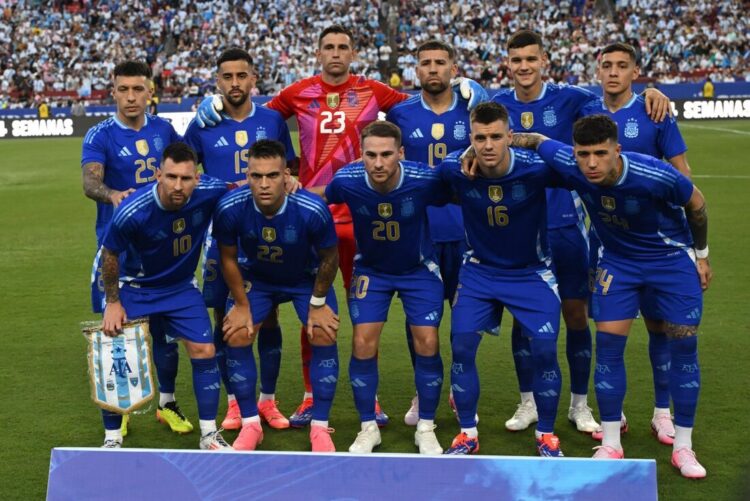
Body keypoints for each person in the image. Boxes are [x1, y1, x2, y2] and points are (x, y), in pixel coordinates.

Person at [195, 25, 486, 428]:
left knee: (368, 310)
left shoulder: (374, 91)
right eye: (328, 47)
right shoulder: (296, 92)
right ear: (318, 54)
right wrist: (214, 105)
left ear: (353, 53)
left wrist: (466, 88)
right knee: (311, 305)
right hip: (314, 213)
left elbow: (425, 101)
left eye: (343, 47)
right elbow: (254, 116)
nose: (335, 54)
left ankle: (375, 398)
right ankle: (312, 396)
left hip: (364, 217)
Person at [513, 114, 711, 478]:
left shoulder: (654, 175)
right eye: (583, 153)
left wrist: (701, 255)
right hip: (618, 264)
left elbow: (696, 204)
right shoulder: (571, 165)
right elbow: (538, 140)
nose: (590, 163)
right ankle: (610, 443)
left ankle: (684, 448)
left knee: (684, 348)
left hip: (670, 263)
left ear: (617, 151)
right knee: (608, 348)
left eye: (600, 154)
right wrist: (480, 151)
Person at [491, 30, 670, 435]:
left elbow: (618, 100)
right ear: (507, 63)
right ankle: (528, 402)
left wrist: (652, 92)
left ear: (544, 62)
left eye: (530, 59)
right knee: (525, 320)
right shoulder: (495, 104)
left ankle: (579, 403)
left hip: (566, 224)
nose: (523, 66)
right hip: (518, 228)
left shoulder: (572, 99)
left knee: (576, 316)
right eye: (516, 60)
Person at [310, 121, 450, 455]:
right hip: (372, 271)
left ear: (401, 154)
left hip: (419, 270)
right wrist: (291, 187)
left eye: (387, 154)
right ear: (362, 154)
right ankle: (367, 427)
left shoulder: (424, 179)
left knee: (428, 341)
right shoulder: (348, 180)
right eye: (371, 155)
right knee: (362, 342)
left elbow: (461, 189)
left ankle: (426, 427)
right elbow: (323, 195)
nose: (378, 162)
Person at [583, 42, 693, 444]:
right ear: (598, 71)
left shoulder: (653, 110)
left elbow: (684, 175)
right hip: (605, 238)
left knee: (660, 326)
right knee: (609, 328)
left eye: (621, 66)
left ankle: (662, 412)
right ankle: (615, 412)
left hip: (655, 241)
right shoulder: (585, 110)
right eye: (606, 65)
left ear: (635, 72)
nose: (613, 72)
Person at [442, 102, 565, 457]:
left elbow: (580, 166)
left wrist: (539, 139)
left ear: (510, 137)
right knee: (462, 347)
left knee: (544, 351)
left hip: (532, 273)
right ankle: (467, 433)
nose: (488, 145)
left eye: (497, 136)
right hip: (479, 271)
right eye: (480, 138)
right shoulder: (455, 169)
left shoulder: (537, 169)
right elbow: (425, 186)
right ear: (471, 140)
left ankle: (545, 433)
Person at [183, 48, 297, 432]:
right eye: (227, 77)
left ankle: (267, 400)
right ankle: (234, 402)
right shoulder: (202, 125)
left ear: (253, 80)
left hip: (267, 232)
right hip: (222, 233)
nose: (235, 83)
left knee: (268, 314)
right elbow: (183, 169)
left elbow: (289, 168)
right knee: (226, 314)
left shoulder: (272, 120)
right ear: (218, 81)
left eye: (241, 76)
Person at [81, 60, 188, 446]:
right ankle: (119, 413)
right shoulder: (99, 134)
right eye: (123, 89)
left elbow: (187, 172)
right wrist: (112, 194)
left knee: (166, 332)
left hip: (162, 250)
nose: (130, 96)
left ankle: (168, 402)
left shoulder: (165, 129)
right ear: (113, 91)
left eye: (137, 89)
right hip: (120, 249)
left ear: (149, 92)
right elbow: (90, 180)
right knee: (118, 331)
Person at [100, 142, 232, 451]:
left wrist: (290, 181)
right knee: (115, 351)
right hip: (136, 287)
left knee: (204, 349)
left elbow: (243, 188)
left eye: (186, 178)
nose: (178, 185)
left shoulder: (210, 190)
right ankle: (112, 438)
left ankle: (209, 434)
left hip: (180, 287)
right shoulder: (133, 211)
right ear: (158, 174)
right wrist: (113, 302)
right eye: (170, 176)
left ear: (197, 178)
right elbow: (110, 255)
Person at [213, 140, 341, 452]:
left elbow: (330, 257)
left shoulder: (311, 208)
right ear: (247, 174)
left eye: (272, 175)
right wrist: (242, 305)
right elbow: (227, 258)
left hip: (304, 278)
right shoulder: (231, 207)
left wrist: (318, 303)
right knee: (236, 334)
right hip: (257, 278)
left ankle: (320, 428)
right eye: (256, 176)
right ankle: (250, 424)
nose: (264, 184)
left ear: (286, 174)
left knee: (324, 333)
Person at [385, 39, 471, 425]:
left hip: (469, 231)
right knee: (421, 319)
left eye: (440, 62)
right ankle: (424, 390)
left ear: (454, 68)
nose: (433, 69)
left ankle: (457, 387)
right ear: (415, 71)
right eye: (425, 63)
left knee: (465, 317)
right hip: (418, 233)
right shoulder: (399, 114)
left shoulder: (474, 109)